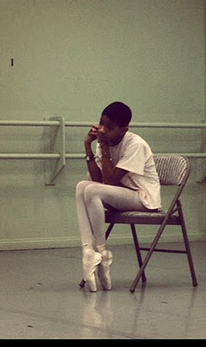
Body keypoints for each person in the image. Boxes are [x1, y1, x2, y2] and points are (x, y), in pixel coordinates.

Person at [76, 102, 161, 292]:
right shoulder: (105, 140)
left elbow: (110, 182)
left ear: (124, 130)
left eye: (110, 127)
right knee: (82, 187)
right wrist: (88, 146)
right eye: (101, 123)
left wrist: (103, 146)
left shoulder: (135, 144)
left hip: (143, 198)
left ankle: (102, 252)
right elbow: (97, 179)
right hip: (121, 194)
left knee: (92, 190)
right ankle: (88, 251)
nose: (102, 130)